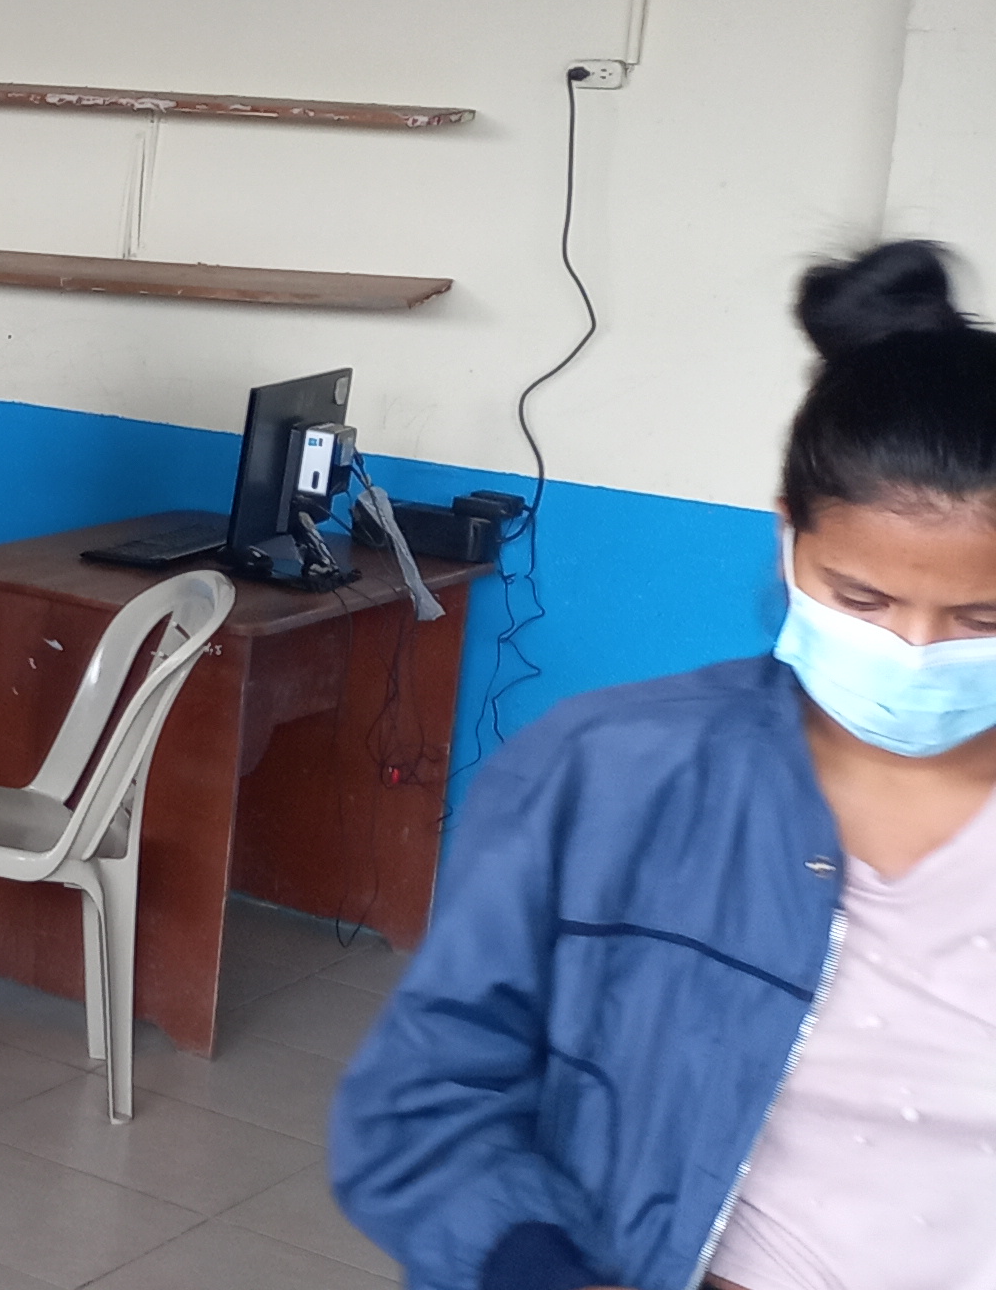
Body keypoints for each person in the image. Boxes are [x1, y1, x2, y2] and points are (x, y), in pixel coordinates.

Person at [333, 241, 996, 1290]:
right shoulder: (612, 774)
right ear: (789, 540)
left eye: (982, 619)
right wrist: (536, 1266)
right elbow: (424, 1097)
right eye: (862, 599)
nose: (914, 650)